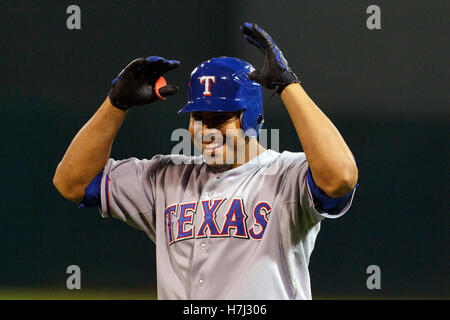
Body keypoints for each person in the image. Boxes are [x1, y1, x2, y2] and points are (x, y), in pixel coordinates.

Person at [53, 22, 358, 300]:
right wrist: (115, 104)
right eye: (198, 118)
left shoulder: (286, 176)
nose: (206, 131)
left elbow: (341, 177)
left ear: (251, 118)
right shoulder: (165, 178)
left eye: (219, 118)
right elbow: (72, 182)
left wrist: (287, 84)